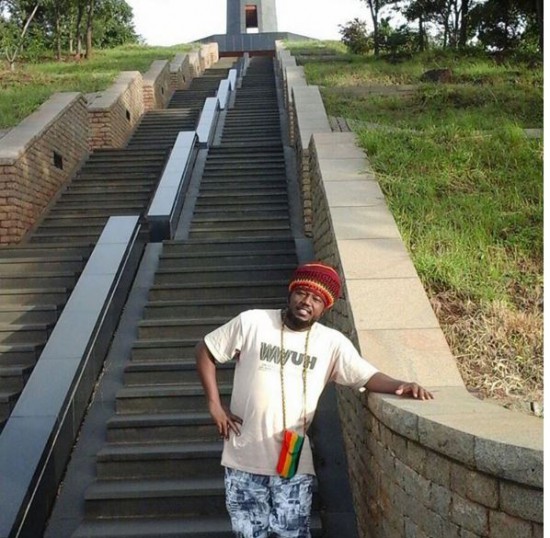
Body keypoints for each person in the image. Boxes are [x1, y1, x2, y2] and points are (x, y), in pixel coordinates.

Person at [195, 261, 433, 538]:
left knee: (292, 533)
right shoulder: (253, 322)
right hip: (243, 456)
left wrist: (400, 384)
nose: (306, 302)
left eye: (316, 298)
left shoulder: (331, 343)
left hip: (292, 458)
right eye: (302, 293)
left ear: (325, 307)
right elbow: (206, 350)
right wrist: (214, 404)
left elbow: (366, 376)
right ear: (291, 293)